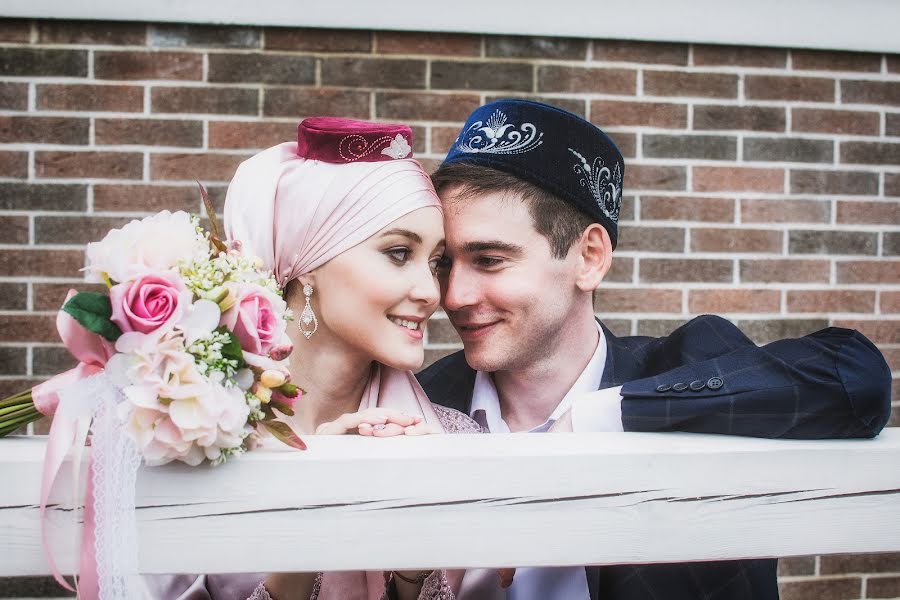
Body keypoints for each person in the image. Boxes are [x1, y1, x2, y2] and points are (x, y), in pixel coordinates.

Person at [417, 99, 893, 600]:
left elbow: (855, 377)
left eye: (489, 260)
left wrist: (596, 420)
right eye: (446, 264)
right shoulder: (422, 400)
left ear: (590, 257)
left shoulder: (690, 362)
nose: (453, 297)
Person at [143, 118, 478, 600]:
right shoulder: (183, 434)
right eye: (399, 252)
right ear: (308, 266)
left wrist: (411, 571)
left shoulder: (454, 443)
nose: (431, 292)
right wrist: (307, 530)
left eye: (435, 261)